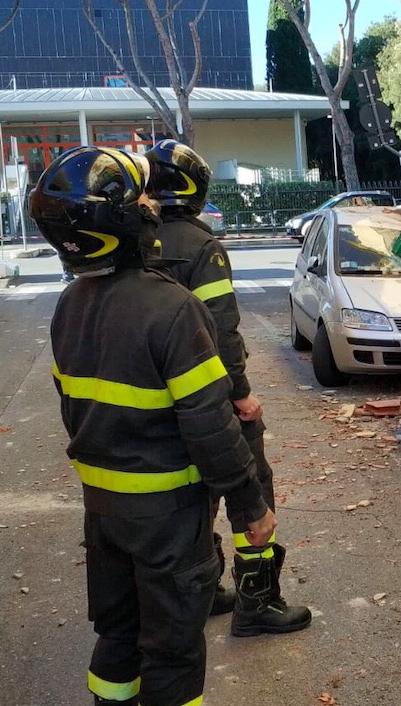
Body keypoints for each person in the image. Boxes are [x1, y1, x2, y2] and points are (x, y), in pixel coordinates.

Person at [30, 145, 276, 706]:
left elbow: (73, 409)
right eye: (141, 195)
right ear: (120, 220)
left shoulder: (69, 305)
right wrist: (249, 506)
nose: (151, 202)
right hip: (167, 520)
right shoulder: (172, 309)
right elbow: (211, 427)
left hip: (104, 513)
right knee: (171, 652)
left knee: (118, 638)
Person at [145, 139, 311, 637]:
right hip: (211, 396)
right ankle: (257, 602)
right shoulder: (202, 249)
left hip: (161, 400)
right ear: (197, 191)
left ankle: (204, 589)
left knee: (193, 497)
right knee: (250, 486)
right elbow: (220, 328)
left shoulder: (140, 242)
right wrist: (240, 393)